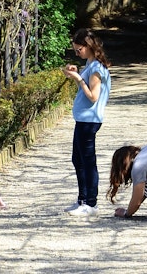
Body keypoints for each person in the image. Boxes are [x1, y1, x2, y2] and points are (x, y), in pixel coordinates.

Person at [63, 28, 111, 216]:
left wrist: (78, 78)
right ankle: (82, 200)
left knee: (88, 161)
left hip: (89, 120)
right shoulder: (90, 64)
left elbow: (93, 96)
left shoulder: (97, 68)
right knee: (78, 159)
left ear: (89, 47)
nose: (77, 53)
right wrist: (78, 76)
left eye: (79, 50)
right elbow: (84, 89)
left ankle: (91, 203)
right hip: (83, 119)